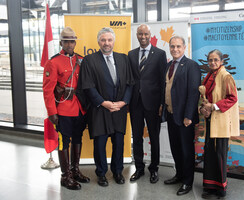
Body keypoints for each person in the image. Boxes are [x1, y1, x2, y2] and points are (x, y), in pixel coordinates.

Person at [78, 27, 134, 187]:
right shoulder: (89, 60)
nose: (106, 43)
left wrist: (124, 102)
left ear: (113, 41)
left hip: (119, 109)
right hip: (100, 109)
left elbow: (130, 84)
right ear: (98, 42)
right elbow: (88, 86)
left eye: (109, 40)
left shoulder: (123, 59)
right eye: (103, 40)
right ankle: (101, 173)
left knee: (119, 142)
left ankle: (117, 172)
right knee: (100, 144)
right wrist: (104, 103)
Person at [43, 27, 90, 190]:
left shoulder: (81, 59)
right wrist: (52, 113)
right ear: (61, 42)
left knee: (78, 138)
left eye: (72, 41)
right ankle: (65, 176)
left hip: (79, 108)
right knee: (64, 142)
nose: (70, 44)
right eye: (66, 41)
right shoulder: (53, 62)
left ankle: (75, 170)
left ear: (75, 42)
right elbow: (48, 90)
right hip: (63, 109)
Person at [128, 24, 167, 183]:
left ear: (150, 35)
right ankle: (139, 168)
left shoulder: (160, 54)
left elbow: (163, 81)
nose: (143, 37)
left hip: (153, 104)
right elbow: (129, 80)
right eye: (140, 34)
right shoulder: (131, 54)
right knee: (136, 137)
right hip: (135, 103)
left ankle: (154, 169)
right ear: (137, 35)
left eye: (145, 34)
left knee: (154, 137)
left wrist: (161, 104)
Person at [163, 36, 201, 195]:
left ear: (184, 48)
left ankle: (187, 181)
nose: (175, 49)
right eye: (172, 46)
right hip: (171, 114)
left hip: (185, 117)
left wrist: (188, 116)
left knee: (186, 151)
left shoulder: (191, 66)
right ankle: (179, 174)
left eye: (178, 46)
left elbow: (193, 93)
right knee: (175, 148)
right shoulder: (168, 65)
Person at [199, 49, 240, 199]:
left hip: (221, 121)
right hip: (211, 120)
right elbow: (205, 99)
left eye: (216, 60)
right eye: (210, 60)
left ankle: (220, 189)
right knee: (209, 153)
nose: (213, 62)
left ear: (221, 61)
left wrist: (214, 106)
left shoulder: (226, 76)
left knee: (219, 154)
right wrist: (203, 108)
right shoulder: (209, 76)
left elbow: (232, 98)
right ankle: (210, 186)